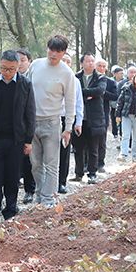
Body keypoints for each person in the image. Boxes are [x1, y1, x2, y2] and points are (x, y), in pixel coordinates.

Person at [0, 50, 35, 228]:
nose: (7, 72)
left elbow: (30, 113)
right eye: (4, 68)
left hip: (16, 140)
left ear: (18, 67)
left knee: (12, 178)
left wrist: (28, 140)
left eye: (11, 69)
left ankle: (10, 212)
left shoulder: (25, 83)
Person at [27, 35, 79, 206]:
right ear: (47, 48)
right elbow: (25, 90)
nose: (53, 54)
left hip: (52, 122)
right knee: (35, 164)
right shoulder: (35, 65)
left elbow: (70, 102)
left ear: (64, 52)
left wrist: (68, 128)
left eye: (58, 51)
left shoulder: (67, 73)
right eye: (51, 50)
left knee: (51, 164)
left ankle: (48, 200)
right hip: (32, 121)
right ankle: (40, 196)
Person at [71, 53, 107, 184]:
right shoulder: (75, 77)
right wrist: (88, 92)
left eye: (92, 61)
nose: (91, 63)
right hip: (78, 119)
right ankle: (78, 173)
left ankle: (92, 173)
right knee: (78, 148)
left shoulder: (100, 77)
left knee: (93, 148)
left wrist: (81, 92)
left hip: (94, 118)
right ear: (82, 63)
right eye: (88, 61)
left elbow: (99, 91)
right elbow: (71, 91)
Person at [57, 53, 83, 194]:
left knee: (64, 151)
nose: (66, 63)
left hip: (67, 119)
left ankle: (61, 182)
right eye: (63, 60)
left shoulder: (75, 80)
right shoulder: (51, 76)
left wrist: (78, 122)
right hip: (50, 118)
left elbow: (79, 103)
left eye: (69, 61)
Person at [16, 48, 35, 203]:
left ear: (29, 61)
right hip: (12, 127)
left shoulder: (33, 78)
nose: (20, 63)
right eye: (17, 60)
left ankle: (30, 190)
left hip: (28, 124)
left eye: (23, 60)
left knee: (28, 160)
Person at [95, 59, 119, 172]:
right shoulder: (89, 79)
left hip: (103, 114)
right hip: (88, 114)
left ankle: (100, 163)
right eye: (99, 66)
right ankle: (86, 164)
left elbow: (115, 96)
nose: (101, 68)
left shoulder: (110, 82)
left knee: (101, 141)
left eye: (104, 66)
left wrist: (101, 92)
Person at [111, 65, 126, 140]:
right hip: (113, 104)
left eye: (123, 73)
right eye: (120, 73)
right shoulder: (111, 81)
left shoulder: (125, 82)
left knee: (122, 120)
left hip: (122, 104)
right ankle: (115, 133)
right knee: (114, 119)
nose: (122, 75)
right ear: (115, 74)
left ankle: (121, 134)